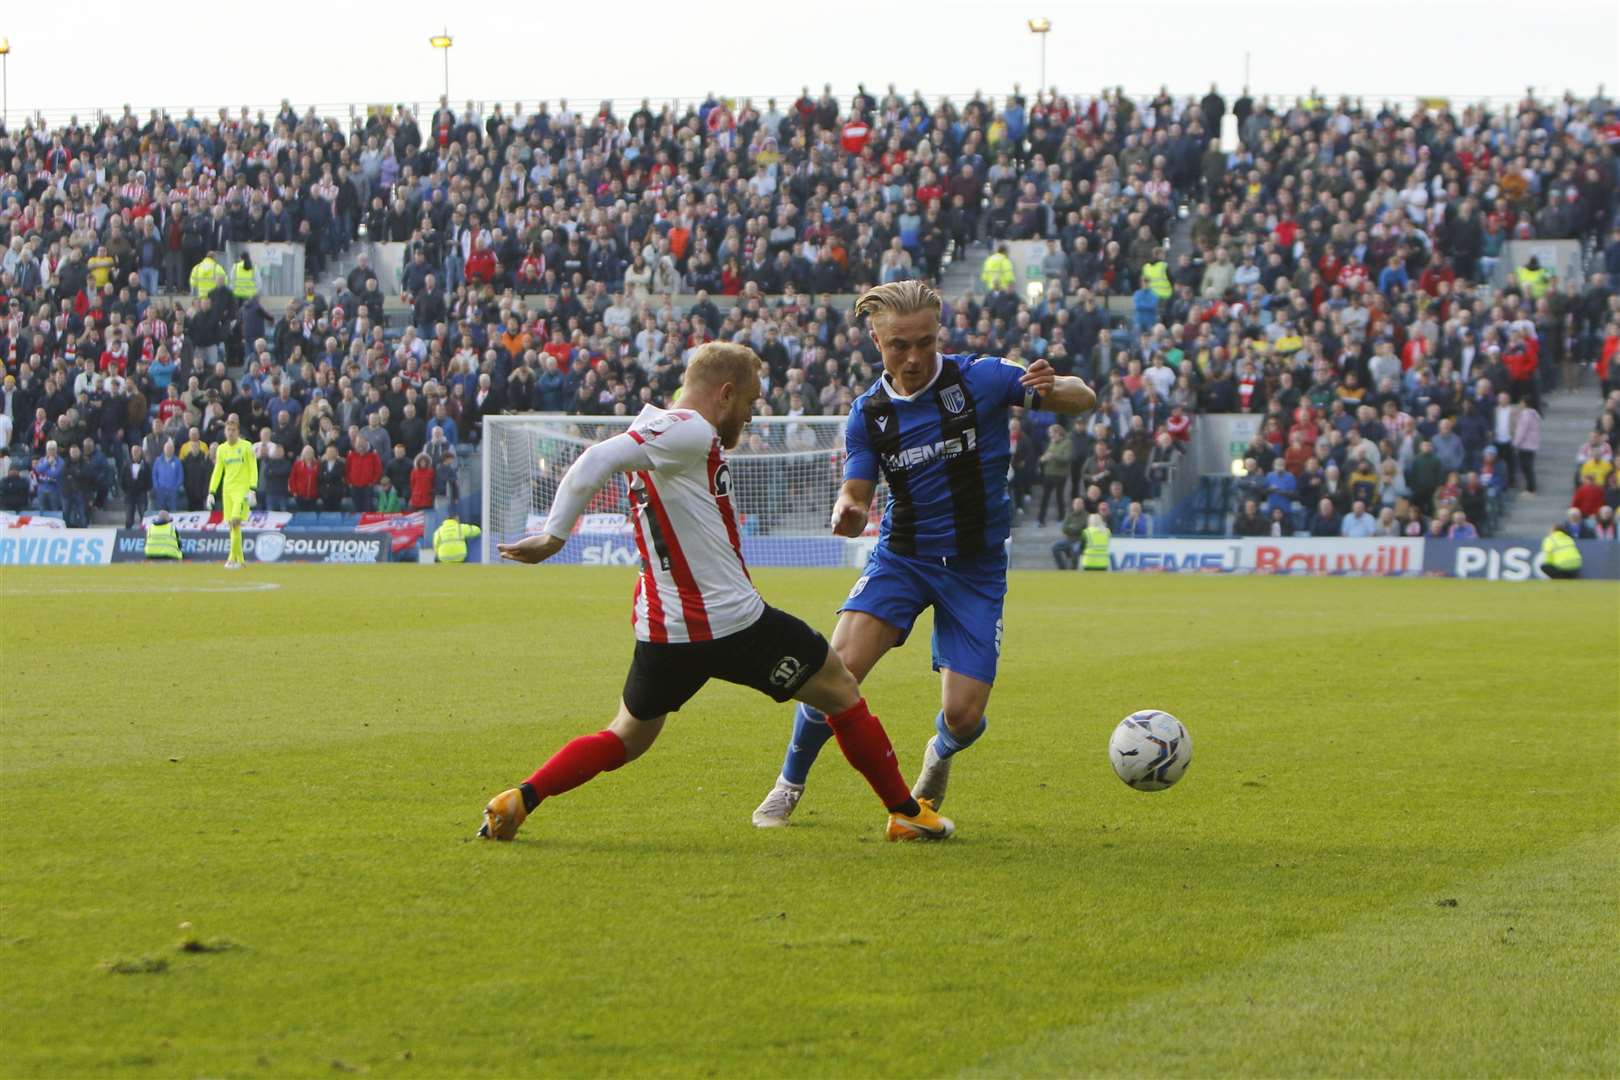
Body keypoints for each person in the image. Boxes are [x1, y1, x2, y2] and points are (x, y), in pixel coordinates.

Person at [483, 343, 954, 843]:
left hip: (664, 631)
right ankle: (905, 812)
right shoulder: (688, 428)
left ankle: (521, 797)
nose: (750, 417)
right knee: (840, 690)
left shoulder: (660, 434)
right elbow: (595, 457)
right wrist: (554, 536)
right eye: (749, 404)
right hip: (732, 622)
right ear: (725, 394)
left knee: (626, 736)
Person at [753, 280, 1096, 826]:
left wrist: (1056, 387)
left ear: (939, 335)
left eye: (925, 343)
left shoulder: (979, 378)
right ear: (875, 341)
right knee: (832, 676)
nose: (913, 358)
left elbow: (1083, 397)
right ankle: (788, 783)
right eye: (899, 346)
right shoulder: (869, 414)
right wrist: (846, 511)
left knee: (962, 716)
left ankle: (939, 753)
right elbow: (857, 492)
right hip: (903, 559)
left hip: (975, 568)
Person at [206, 415, 259, 569]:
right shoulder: (222, 449)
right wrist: (211, 491)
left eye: (233, 430)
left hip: (241, 491)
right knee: (232, 525)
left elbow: (253, 468)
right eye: (228, 430)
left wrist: (252, 489)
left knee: (236, 521)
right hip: (227, 490)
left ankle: (231, 558)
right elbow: (218, 471)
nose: (230, 433)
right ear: (225, 432)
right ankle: (241, 560)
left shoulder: (247, 447)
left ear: (238, 431)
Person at [1051, 497, 1087, 569]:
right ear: (1073, 505)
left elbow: (1082, 528)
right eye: (1076, 503)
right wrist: (1076, 527)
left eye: (1079, 503)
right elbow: (1064, 529)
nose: (1077, 505)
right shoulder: (1069, 515)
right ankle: (1062, 568)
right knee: (1055, 547)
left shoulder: (1086, 515)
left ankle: (1073, 570)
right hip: (1068, 540)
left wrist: (1072, 527)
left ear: (1083, 505)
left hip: (1079, 540)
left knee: (1075, 552)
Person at [122, 445, 152, 528]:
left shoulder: (145, 465)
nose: (135, 453)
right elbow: (122, 479)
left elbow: (149, 480)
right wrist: (126, 490)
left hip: (141, 494)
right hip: (129, 494)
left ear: (140, 453)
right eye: (133, 452)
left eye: (137, 451)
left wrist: (144, 489)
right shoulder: (126, 464)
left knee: (144, 516)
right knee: (128, 518)